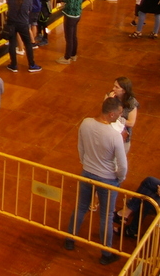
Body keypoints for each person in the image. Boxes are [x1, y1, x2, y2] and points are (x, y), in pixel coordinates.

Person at [65, 97, 128, 264]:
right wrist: (119, 178)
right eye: (119, 113)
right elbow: (122, 165)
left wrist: (86, 163)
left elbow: (81, 147)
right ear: (111, 114)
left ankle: (70, 238)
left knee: (81, 207)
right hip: (108, 179)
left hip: (87, 172)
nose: (120, 116)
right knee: (106, 216)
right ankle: (106, 253)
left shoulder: (85, 123)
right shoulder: (115, 136)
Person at [4, 0, 40, 73]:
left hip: (11, 22)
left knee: (12, 44)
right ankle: (31, 64)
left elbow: (9, 5)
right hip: (23, 23)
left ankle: (13, 65)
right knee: (28, 44)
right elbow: (30, 9)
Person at [56, 0, 84, 64]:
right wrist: (62, 0)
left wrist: (63, 6)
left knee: (69, 38)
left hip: (70, 16)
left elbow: (70, 4)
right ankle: (73, 55)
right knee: (74, 36)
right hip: (77, 15)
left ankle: (66, 57)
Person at [108, 77, 139, 154]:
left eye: (117, 87)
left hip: (122, 137)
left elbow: (131, 123)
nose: (113, 89)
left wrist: (117, 118)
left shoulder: (131, 102)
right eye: (114, 86)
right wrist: (110, 101)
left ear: (124, 91)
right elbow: (105, 114)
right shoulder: (110, 96)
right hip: (108, 134)